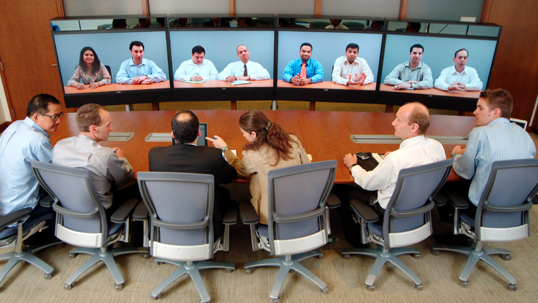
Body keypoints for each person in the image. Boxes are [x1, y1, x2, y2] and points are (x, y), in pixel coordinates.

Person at [332, 102, 446, 247]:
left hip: (389, 212)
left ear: (414, 127)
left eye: (398, 120)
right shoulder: (437, 146)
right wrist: (397, 156)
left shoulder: (396, 160)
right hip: (419, 207)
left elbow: (367, 183)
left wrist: (353, 165)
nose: (393, 123)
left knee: (341, 189)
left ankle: (356, 240)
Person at [206, 110, 311, 225]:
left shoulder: (252, 154)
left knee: (255, 175)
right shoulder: (292, 139)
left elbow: (240, 171)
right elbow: (307, 166)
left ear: (254, 134)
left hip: (273, 215)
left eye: (243, 133)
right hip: (303, 206)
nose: (243, 135)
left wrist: (225, 148)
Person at [148, 110, 238, 239]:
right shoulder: (213, 156)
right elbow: (231, 176)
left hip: (165, 225)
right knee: (224, 193)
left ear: (172, 134)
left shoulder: (155, 155)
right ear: (199, 132)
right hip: (206, 229)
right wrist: (225, 149)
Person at [447, 89, 536, 214]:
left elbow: (465, 172)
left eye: (480, 108)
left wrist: (457, 154)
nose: (474, 112)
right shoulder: (524, 134)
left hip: (483, 208)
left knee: (449, 186)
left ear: (495, 112)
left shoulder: (480, 133)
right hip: (517, 206)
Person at [52, 104, 137, 217]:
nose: (111, 128)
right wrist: (121, 158)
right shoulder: (106, 155)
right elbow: (127, 177)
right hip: (99, 212)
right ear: (93, 129)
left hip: (67, 207)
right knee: (137, 187)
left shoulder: (59, 146)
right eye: (108, 125)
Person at [0, 94, 62, 223]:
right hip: (19, 211)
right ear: (36, 117)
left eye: (59, 115)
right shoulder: (37, 141)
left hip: (4, 204)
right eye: (54, 117)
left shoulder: (14, 126)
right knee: (67, 190)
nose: (58, 121)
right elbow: (58, 173)